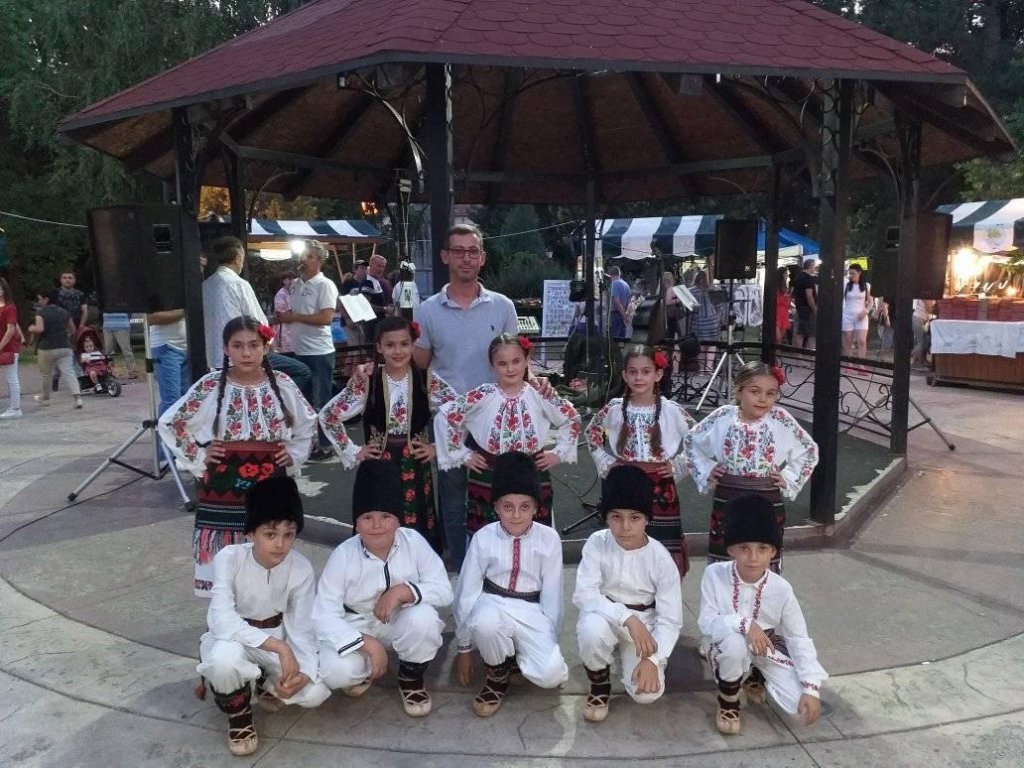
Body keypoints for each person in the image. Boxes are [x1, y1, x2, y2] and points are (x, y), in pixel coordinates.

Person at [158, 316, 317, 598]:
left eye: (254, 345)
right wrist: (200, 456)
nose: (246, 353)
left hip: (271, 481)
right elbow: (171, 422)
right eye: (238, 345)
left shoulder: (282, 383)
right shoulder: (210, 385)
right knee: (226, 559)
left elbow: (308, 422)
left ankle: (265, 612)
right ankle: (225, 611)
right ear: (225, 349)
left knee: (268, 543)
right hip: (224, 483)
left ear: (265, 347)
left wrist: (293, 454)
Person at [196, 476, 331, 756]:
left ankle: (263, 681)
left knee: (314, 693)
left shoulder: (301, 568)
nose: (280, 544)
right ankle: (239, 716)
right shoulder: (229, 558)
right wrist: (280, 648)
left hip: (274, 637)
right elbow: (222, 619)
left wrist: (304, 671)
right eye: (270, 534)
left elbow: (303, 627)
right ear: (250, 534)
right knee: (223, 662)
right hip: (231, 637)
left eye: (288, 534)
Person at [413, 223, 518, 570]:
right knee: (452, 492)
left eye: (473, 251)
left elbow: (516, 361)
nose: (466, 258)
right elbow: (419, 364)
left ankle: (500, 561)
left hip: (496, 416)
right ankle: (459, 563)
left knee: (499, 489)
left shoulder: (502, 306)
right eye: (458, 251)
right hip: (449, 418)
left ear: (482, 257)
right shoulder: (428, 310)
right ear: (445, 256)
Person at [313, 459, 453, 717]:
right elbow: (323, 614)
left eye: (386, 516)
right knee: (334, 671)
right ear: (356, 523)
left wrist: (402, 592)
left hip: (400, 619)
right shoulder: (343, 555)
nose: (377, 525)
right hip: (357, 623)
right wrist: (365, 643)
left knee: (424, 619)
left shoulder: (414, 542)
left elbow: (444, 590)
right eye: (367, 517)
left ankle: (411, 677)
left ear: (399, 520)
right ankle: (365, 668)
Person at [319, 316, 456, 551]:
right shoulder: (367, 380)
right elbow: (328, 415)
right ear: (379, 347)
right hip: (378, 463)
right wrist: (353, 450)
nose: (398, 351)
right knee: (379, 514)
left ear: (413, 345)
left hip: (415, 463)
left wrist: (438, 447)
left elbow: (459, 410)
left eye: (404, 344)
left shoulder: (426, 379)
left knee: (414, 523)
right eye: (390, 345)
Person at [698, 494, 826, 735]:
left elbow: (798, 637)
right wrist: (744, 624)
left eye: (762, 548)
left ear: (773, 552)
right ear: (731, 549)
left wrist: (811, 688)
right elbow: (706, 622)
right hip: (726, 640)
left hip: (766, 645)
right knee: (735, 646)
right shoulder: (714, 575)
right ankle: (728, 700)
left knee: (797, 705)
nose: (753, 557)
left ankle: (755, 674)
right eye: (744, 548)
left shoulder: (781, 588)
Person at [453, 451, 568, 717]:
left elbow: (553, 596)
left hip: (532, 609)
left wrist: (549, 641)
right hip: (492, 602)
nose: (516, 515)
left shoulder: (549, 539)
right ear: (495, 506)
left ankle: (514, 657)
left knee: (551, 675)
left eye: (525, 506)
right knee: (486, 624)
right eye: (507, 506)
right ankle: (497, 675)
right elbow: (466, 593)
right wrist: (464, 648)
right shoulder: (483, 537)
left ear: (537, 507)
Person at [436, 333, 581, 533]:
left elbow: (571, 418)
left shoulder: (539, 394)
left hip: (531, 471)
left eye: (516, 361)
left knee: (533, 534)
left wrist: (558, 453)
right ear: (492, 365)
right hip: (490, 474)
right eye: (502, 363)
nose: (510, 369)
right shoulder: (483, 394)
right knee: (488, 534)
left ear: (527, 361)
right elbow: (446, 417)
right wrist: (462, 454)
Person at [573, 465, 684, 723]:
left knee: (647, 694)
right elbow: (584, 594)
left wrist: (653, 660)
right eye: (616, 517)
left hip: (645, 622)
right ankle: (599, 683)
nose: (625, 527)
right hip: (606, 615)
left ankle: (633, 657)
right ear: (606, 517)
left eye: (634, 518)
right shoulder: (597, 542)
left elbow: (670, 619)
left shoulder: (660, 558)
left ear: (647, 519)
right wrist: (626, 618)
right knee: (591, 630)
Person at [685, 361, 818, 573]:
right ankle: (724, 591)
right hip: (728, 498)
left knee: (763, 553)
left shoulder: (780, 419)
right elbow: (692, 441)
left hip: (767, 499)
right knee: (727, 552)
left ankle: (763, 593)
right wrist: (707, 468)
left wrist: (788, 477)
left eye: (770, 393)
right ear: (739, 391)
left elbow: (808, 449)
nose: (763, 399)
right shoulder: (723, 416)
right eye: (755, 391)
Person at [586, 344, 695, 575]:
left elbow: (699, 438)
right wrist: (606, 462)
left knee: (663, 542)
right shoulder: (614, 408)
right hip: (624, 482)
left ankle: (663, 590)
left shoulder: (671, 410)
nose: (638, 377)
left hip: (660, 486)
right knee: (626, 538)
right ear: (624, 375)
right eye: (633, 372)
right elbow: (592, 432)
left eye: (646, 371)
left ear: (658, 374)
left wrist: (678, 465)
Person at [201, 236, 311, 395]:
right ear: (238, 257)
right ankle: (270, 401)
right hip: (244, 355)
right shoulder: (238, 284)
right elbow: (259, 322)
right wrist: (271, 345)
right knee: (302, 371)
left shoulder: (205, 286)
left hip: (213, 358)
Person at [279, 240, 340, 461]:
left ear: (320, 259)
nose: (304, 259)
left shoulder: (325, 285)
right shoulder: (295, 284)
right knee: (303, 401)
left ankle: (326, 445)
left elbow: (326, 318)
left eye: (310, 256)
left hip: (319, 351)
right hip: (299, 350)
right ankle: (309, 443)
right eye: (303, 255)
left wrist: (293, 317)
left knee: (321, 400)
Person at [28, 289, 82, 409]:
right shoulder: (64, 312)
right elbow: (73, 330)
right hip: (65, 346)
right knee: (69, 372)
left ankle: (46, 398)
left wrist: (31, 328)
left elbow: (40, 329)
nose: (39, 301)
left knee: (46, 374)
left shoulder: (41, 313)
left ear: (46, 299)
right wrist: (65, 336)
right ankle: (77, 398)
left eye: (40, 299)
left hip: (47, 347)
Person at [147, 308, 189, 416]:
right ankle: (164, 427)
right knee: (172, 400)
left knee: (188, 399)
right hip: (166, 347)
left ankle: (180, 426)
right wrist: (185, 311)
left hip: (187, 347)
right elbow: (152, 318)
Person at [51, 270, 88, 391]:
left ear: (74, 280)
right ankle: (56, 377)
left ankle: (80, 379)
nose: (67, 280)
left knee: (77, 353)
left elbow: (85, 311)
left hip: (77, 325)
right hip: (61, 327)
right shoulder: (56, 294)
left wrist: (81, 326)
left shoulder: (80, 294)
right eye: (65, 277)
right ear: (61, 280)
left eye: (70, 277)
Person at [0, 277, 24, 419]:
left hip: (9, 347)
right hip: (5, 347)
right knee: (10, 377)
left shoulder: (10, 307)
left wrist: (0, 346)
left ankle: (15, 408)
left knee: (11, 377)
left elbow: (11, 329)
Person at [691, 270, 720, 373]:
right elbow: (719, 306)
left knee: (701, 346)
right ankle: (709, 368)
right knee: (712, 345)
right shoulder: (713, 289)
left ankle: (701, 369)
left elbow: (689, 307)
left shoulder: (692, 291)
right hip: (712, 322)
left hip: (698, 322)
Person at [841, 264, 872, 358]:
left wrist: (866, 311)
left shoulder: (866, 286)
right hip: (848, 315)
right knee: (848, 342)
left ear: (859, 273)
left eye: (853, 273)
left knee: (862, 341)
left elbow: (871, 302)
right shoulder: (846, 285)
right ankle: (848, 363)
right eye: (849, 273)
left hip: (861, 315)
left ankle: (861, 363)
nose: (851, 275)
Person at [101, 311, 138, 378]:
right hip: (107, 326)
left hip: (122, 325)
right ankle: (109, 371)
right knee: (108, 352)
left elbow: (129, 310)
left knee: (126, 350)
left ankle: (132, 372)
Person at [792, 259, 818, 351]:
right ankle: (811, 356)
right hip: (808, 310)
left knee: (800, 333)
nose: (815, 268)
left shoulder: (798, 277)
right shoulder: (809, 279)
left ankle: (798, 356)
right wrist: (814, 309)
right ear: (811, 266)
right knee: (812, 335)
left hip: (799, 308)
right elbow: (809, 296)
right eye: (814, 266)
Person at [272, 270, 297, 355]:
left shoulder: (294, 293)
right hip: (284, 330)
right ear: (284, 281)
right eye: (289, 279)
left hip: (294, 330)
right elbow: (282, 314)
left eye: (293, 279)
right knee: (287, 354)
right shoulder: (280, 294)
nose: (292, 281)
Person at [606, 265, 631, 339]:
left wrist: (623, 315)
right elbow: (629, 301)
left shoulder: (614, 284)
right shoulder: (626, 284)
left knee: (615, 338)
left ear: (610, 275)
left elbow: (616, 301)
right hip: (624, 313)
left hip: (616, 314)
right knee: (622, 338)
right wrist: (626, 315)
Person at [912, 299, 934, 367]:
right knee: (921, 342)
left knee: (923, 341)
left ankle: (918, 361)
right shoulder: (927, 297)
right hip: (919, 319)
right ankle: (919, 362)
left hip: (920, 319)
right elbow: (929, 309)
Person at [775, 266, 792, 346]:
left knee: (780, 340)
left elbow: (788, 303)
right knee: (777, 338)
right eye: (786, 273)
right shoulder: (775, 286)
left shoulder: (786, 286)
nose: (787, 275)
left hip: (784, 314)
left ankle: (777, 354)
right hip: (777, 313)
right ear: (781, 274)